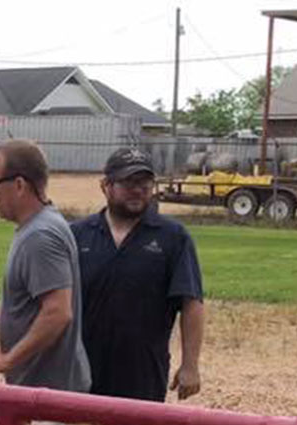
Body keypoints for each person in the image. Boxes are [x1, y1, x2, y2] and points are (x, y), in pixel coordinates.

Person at [0, 139, 90, 392]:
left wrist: (7, 360)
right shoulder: (38, 227)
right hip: (45, 391)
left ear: (20, 185)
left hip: (49, 395)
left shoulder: (39, 236)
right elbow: (26, 305)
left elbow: (57, 312)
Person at [70, 149, 205, 402]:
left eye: (145, 183)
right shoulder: (76, 235)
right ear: (105, 186)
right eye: (128, 182)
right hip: (80, 368)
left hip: (143, 372)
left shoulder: (173, 237)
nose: (138, 190)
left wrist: (190, 365)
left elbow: (191, 302)